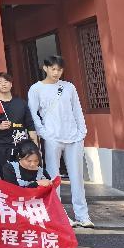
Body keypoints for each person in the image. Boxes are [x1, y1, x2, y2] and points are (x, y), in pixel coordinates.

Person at [28, 55, 93, 228]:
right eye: (53, 69)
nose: (56, 73)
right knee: (54, 177)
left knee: (77, 177)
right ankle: (59, 215)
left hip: (74, 137)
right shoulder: (36, 88)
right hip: (52, 138)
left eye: (59, 69)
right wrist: (43, 133)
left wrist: (82, 131)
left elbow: (77, 109)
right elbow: (33, 113)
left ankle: (82, 215)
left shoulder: (68, 87)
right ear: (45, 68)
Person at [0, 71, 37, 178]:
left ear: (11, 84)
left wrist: (35, 147)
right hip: (1, 146)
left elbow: (30, 125)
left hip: (21, 145)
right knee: (6, 176)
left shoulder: (21, 103)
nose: (3, 84)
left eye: (6, 81)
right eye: (0, 82)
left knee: (24, 176)